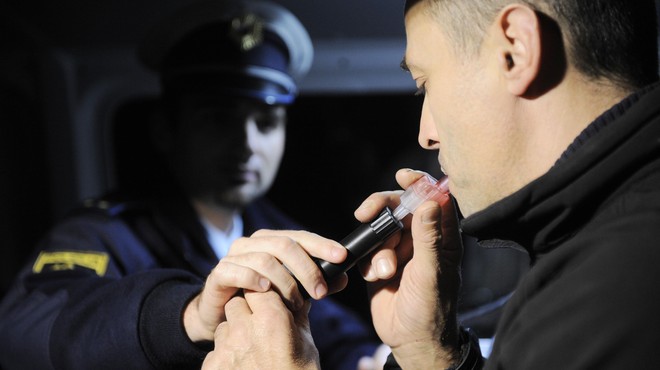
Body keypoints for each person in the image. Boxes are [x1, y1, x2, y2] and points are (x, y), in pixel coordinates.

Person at [197, 0, 660, 369]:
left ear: (514, 49)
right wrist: (429, 355)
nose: (426, 133)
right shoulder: (601, 247)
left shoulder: (613, 289)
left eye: (424, 85)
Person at [0, 0, 387, 369]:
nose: (247, 145)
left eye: (266, 123)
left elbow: (328, 325)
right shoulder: (106, 232)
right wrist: (187, 315)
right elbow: (22, 332)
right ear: (167, 130)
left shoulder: (269, 227)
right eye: (218, 119)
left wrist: (363, 357)